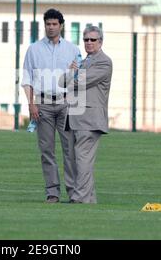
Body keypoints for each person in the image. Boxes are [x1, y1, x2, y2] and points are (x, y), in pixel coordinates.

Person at [22, 8, 81, 203]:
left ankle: (74, 193)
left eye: (55, 24)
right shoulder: (34, 49)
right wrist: (31, 104)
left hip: (65, 104)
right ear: (44, 25)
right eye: (48, 24)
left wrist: (75, 105)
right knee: (47, 151)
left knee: (70, 150)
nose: (51, 27)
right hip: (43, 105)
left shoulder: (73, 50)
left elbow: (80, 80)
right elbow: (27, 78)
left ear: (61, 26)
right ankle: (53, 193)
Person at [60, 25, 112, 203]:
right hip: (75, 118)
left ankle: (79, 198)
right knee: (77, 161)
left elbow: (80, 82)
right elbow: (62, 82)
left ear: (100, 42)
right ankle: (89, 199)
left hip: (90, 119)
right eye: (86, 40)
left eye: (93, 40)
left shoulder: (104, 62)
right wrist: (71, 73)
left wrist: (73, 74)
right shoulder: (84, 61)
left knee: (82, 160)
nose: (89, 43)